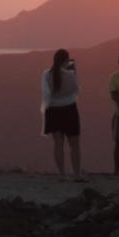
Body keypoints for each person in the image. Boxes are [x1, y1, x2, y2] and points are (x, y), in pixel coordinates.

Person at [41, 48, 85, 182]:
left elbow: (46, 94)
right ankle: (77, 174)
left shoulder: (46, 74)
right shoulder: (70, 74)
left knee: (58, 144)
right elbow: (75, 91)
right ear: (66, 60)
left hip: (53, 110)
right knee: (74, 144)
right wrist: (74, 72)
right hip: (69, 109)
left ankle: (62, 174)